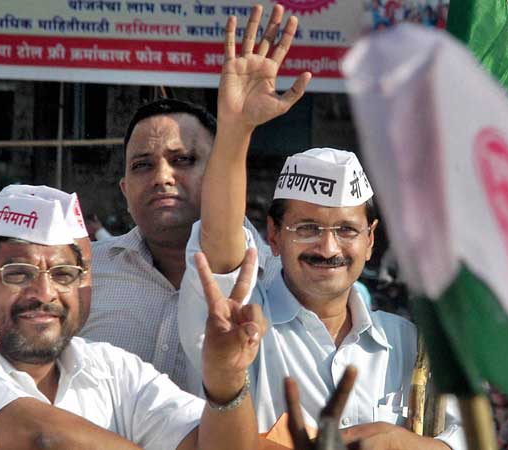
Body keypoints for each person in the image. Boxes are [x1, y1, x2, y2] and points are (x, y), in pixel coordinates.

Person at [178, 4, 465, 449]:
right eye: (307, 228)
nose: (328, 248)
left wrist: (399, 443)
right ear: (274, 235)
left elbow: (465, 437)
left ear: (370, 240)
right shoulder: (241, 322)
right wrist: (235, 129)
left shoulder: (407, 342)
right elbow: (220, 242)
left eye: (346, 231)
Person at [0, 185, 265, 450]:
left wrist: (227, 380)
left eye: (63, 275)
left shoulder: (112, 369)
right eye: (19, 274)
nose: (45, 293)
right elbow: (46, 440)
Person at [80, 91, 275, 391]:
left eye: (182, 160)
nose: (162, 177)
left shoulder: (280, 282)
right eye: (142, 165)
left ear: (223, 175)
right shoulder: (81, 275)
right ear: (125, 191)